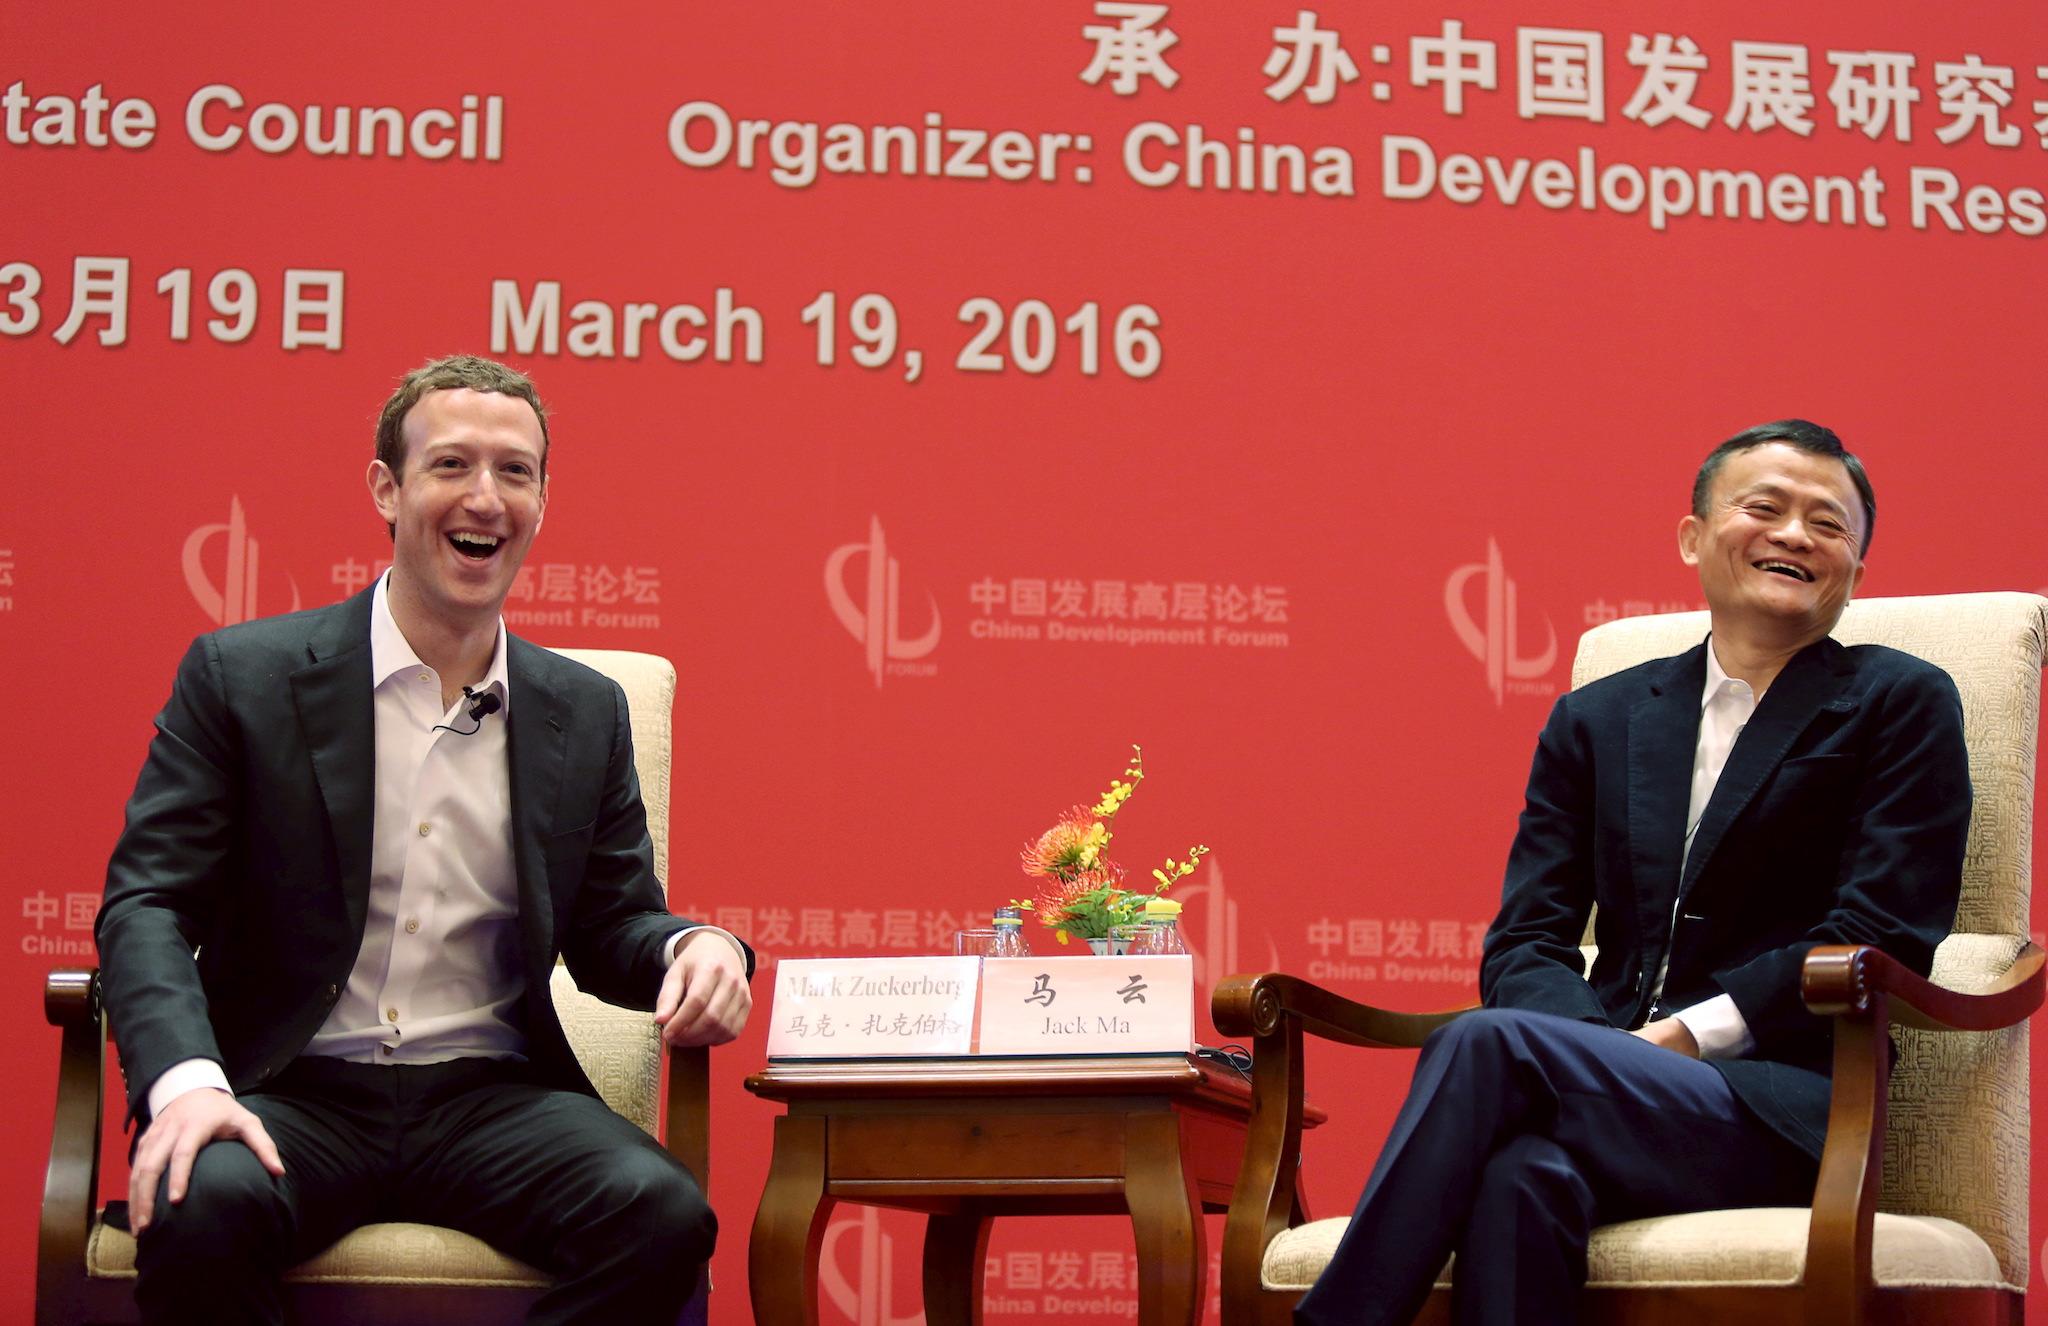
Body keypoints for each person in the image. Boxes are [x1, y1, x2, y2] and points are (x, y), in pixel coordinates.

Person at [97, 355, 754, 1326]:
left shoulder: (582, 710)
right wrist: (188, 1085)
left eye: (515, 471)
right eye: (449, 465)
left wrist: (693, 948)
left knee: (659, 1217)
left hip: (487, 1099)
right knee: (203, 1205)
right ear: (387, 488)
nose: (484, 496)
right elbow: (148, 904)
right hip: (291, 1087)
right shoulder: (245, 679)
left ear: (541, 500)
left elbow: (613, 926)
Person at [1296, 421, 1970, 1326]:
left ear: (1856, 569)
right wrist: (1604, 1048)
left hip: (1781, 1107)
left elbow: (1883, 931)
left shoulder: (1898, 700)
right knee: (1518, 1179)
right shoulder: (1601, 717)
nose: (1796, 536)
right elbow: (1528, 940)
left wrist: (1683, 1038)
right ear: (1694, 536)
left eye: (1829, 524)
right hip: (1601, 1093)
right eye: (1764, 507)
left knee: (1484, 1042)